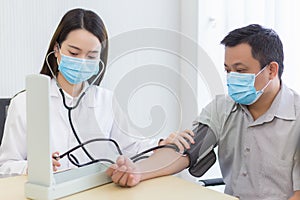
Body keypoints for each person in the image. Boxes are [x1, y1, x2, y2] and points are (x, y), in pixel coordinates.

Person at [106, 24, 300, 200]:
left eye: (240, 71)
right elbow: (186, 150)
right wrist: (137, 171)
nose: (232, 78)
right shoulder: (222, 108)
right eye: (228, 70)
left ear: (272, 70)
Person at [0, 8, 173, 177]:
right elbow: (6, 166)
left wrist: (162, 144)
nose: (82, 62)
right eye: (74, 53)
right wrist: (33, 167)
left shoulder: (107, 101)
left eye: (91, 56)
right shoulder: (25, 102)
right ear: (57, 50)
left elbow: (133, 146)